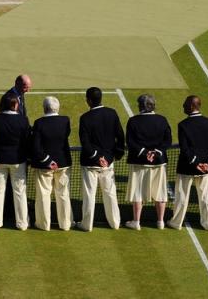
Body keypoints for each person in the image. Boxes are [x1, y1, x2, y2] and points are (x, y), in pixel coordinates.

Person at [168, 96, 208, 231]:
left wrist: (196, 163)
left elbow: (185, 149)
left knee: (182, 197)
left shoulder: (183, 125)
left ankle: (176, 222)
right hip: (205, 168)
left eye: (185, 104)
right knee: (205, 197)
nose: (183, 107)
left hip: (186, 167)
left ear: (191, 106)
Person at [77, 86, 124, 231]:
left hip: (91, 164)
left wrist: (97, 157)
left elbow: (85, 143)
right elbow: (120, 136)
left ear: (89, 100)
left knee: (89, 194)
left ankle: (87, 225)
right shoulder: (112, 113)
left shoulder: (85, 118)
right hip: (108, 163)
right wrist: (113, 156)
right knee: (110, 194)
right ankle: (115, 223)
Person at [124, 94, 172, 230]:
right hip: (158, 162)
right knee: (160, 192)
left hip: (139, 162)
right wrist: (156, 153)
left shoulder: (133, 121)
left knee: (138, 193)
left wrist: (145, 153)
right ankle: (160, 222)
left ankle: (136, 221)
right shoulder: (162, 120)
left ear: (141, 106)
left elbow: (130, 142)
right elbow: (167, 141)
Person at [0, 92, 30, 231]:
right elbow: (27, 141)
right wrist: (27, 158)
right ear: (15, 105)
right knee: (20, 192)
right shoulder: (23, 120)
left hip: (0, 161)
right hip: (18, 161)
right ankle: (22, 223)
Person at [31, 96, 72, 231]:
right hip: (63, 163)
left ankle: (43, 224)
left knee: (43, 195)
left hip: (44, 166)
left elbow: (36, 147)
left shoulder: (39, 123)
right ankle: (66, 224)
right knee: (63, 194)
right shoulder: (65, 120)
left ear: (44, 108)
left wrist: (48, 161)